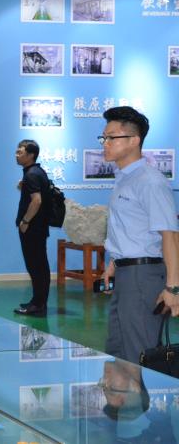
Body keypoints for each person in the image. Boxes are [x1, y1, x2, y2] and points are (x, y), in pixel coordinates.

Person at [100, 106, 179, 365]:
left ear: (134, 140)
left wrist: (173, 288)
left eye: (112, 137)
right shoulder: (123, 178)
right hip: (126, 274)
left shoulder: (150, 181)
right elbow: (130, 228)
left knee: (138, 353)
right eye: (104, 138)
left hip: (143, 277)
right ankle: (122, 392)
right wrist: (114, 264)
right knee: (117, 350)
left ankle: (140, 393)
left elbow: (170, 236)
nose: (105, 143)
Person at [14, 139, 52, 317]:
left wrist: (25, 221)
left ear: (31, 155)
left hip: (33, 228)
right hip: (38, 228)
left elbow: (37, 201)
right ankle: (38, 302)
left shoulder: (32, 174)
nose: (16, 155)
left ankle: (37, 305)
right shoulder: (36, 172)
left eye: (20, 152)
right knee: (39, 265)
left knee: (36, 266)